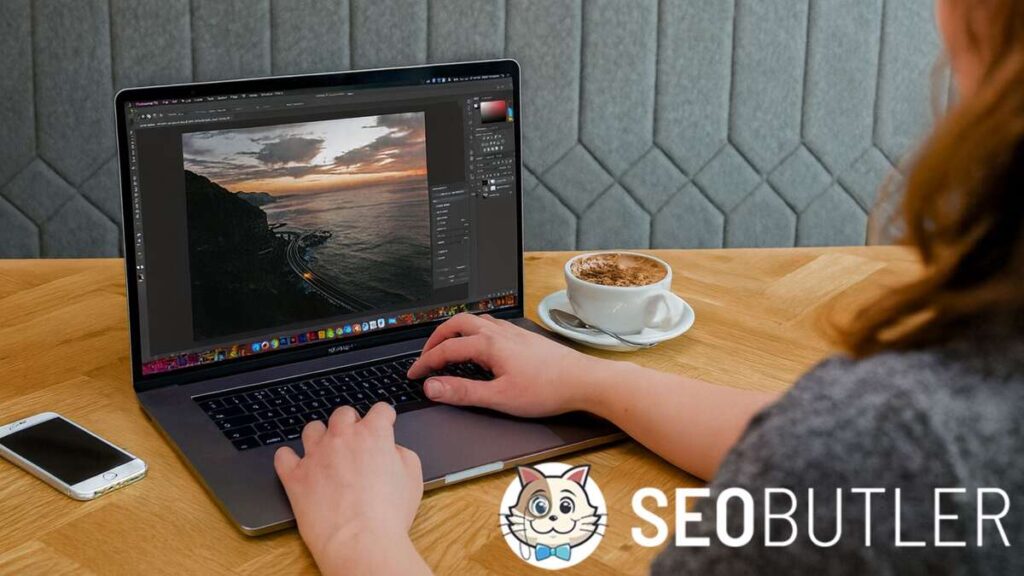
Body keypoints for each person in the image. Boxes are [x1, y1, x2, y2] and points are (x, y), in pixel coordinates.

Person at [272, 1, 1024, 573]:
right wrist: (590, 381)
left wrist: (358, 538)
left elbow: (859, 461)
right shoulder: (920, 440)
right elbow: (860, 464)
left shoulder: (892, 444)